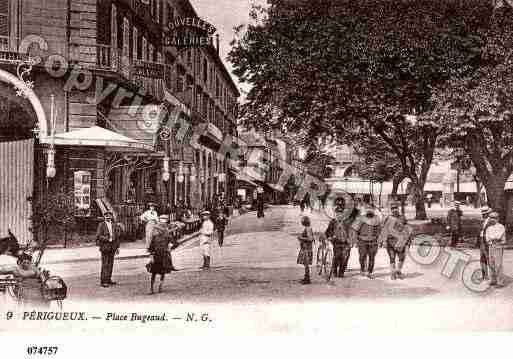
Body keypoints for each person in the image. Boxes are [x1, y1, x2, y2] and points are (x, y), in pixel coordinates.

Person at [379, 203, 413, 280]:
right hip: (390, 241)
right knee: (392, 258)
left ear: (398, 209)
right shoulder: (387, 218)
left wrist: (408, 241)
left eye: (396, 208)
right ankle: (393, 273)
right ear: (391, 210)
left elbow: (407, 229)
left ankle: (398, 271)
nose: (394, 210)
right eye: (393, 208)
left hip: (400, 242)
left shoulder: (402, 218)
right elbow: (383, 230)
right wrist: (383, 241)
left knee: (401, 258)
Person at [147, 215, 176, 294]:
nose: (163, 220)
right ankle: (151, 288)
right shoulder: (155, 230)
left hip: (164, 253)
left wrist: (171, 245)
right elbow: (152, 243)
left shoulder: (167, 231)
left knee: (163, 271)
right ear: (159, 220)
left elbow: (173, 241)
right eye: (162, 219)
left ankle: (160, 285)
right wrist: (151, 255)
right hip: (156, 253)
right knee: (154, 271)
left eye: (165, 219)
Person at [351, 207, 382, 279]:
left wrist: (380, 240)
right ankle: (362, 269)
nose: (369, 212)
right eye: (368, 211)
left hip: (373, 241)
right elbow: (355, 229)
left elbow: (380, 231)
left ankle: (369, 272)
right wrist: (355, 239)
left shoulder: (377, 219)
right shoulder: (361, 219)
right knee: (362, 256)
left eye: (371, 211)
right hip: (362, 240)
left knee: (372, 257)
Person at [325, 197, 352, 278]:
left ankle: (341, 272)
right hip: (336, 242)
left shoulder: (349, 221)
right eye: (338, 213)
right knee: (337, 256)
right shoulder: (333, 221)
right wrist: (329, 237)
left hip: (346, 242)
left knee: (345, 257)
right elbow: (328, 231)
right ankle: (335, 270)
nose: (339, 214)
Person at [96, 211, 122, 288]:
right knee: (105, 264)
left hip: (113, 247)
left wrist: (117, 247)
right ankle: (103, 281)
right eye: (106, 216)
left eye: (109, 216)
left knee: (111, 264)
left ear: (111, 217)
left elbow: (117, 237)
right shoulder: (101, 225)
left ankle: (108, 279)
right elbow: (98, 236)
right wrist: (107, 239)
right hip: (105, 247)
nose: (108, 217)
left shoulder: (114, 225)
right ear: (104, 217)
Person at [484, 212, 507, 288]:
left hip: (498, 246)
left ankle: (500, 282)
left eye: (494, 218)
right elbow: (487, 237)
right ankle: (493, 280)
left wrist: (492, 237)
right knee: (491, 263)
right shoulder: (489, 228)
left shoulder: (501, 227)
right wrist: (491, 239)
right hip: (491, 245)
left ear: (498, 219)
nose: (492, 220)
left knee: (498, 264)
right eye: (491, 218)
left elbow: (498, 236)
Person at [297, 216, 315, 284]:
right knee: (305, 264)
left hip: (306, 248)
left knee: (306, 264)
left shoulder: (307, 229)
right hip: (306, 248)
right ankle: (306, 277)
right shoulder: (308, 228)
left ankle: (307, 279)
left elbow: (310, 239)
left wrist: (301, 238)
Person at [478, 206, 492, 280]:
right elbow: (480, 232)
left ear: (488, 214)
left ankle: (493, 277)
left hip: (487, 242)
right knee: (482, 259)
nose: (483, 215)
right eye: (482, 213)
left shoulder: (491, 221)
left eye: (485, 213)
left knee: (489, 259)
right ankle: (485, 276)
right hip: (481, 241)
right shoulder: (482, 221)